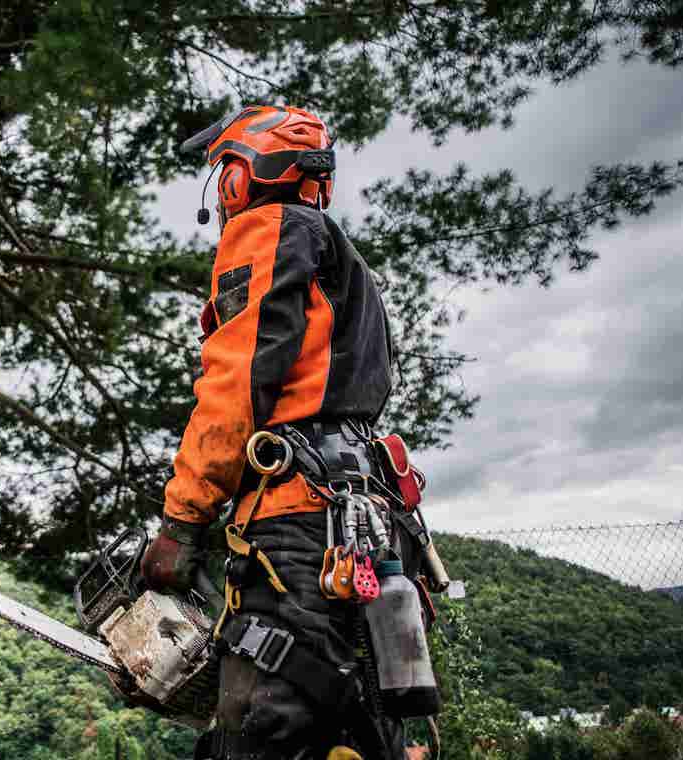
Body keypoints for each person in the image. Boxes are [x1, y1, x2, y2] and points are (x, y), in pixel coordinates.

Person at [141, 106, 414, 760]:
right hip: (365, 526)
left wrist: (181, 521)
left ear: (243, 172)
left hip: (296, 527)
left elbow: (236, 381)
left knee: (263, 728)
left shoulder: (266, 230)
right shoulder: (343, 261)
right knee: (354, 728)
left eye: (223, 175)